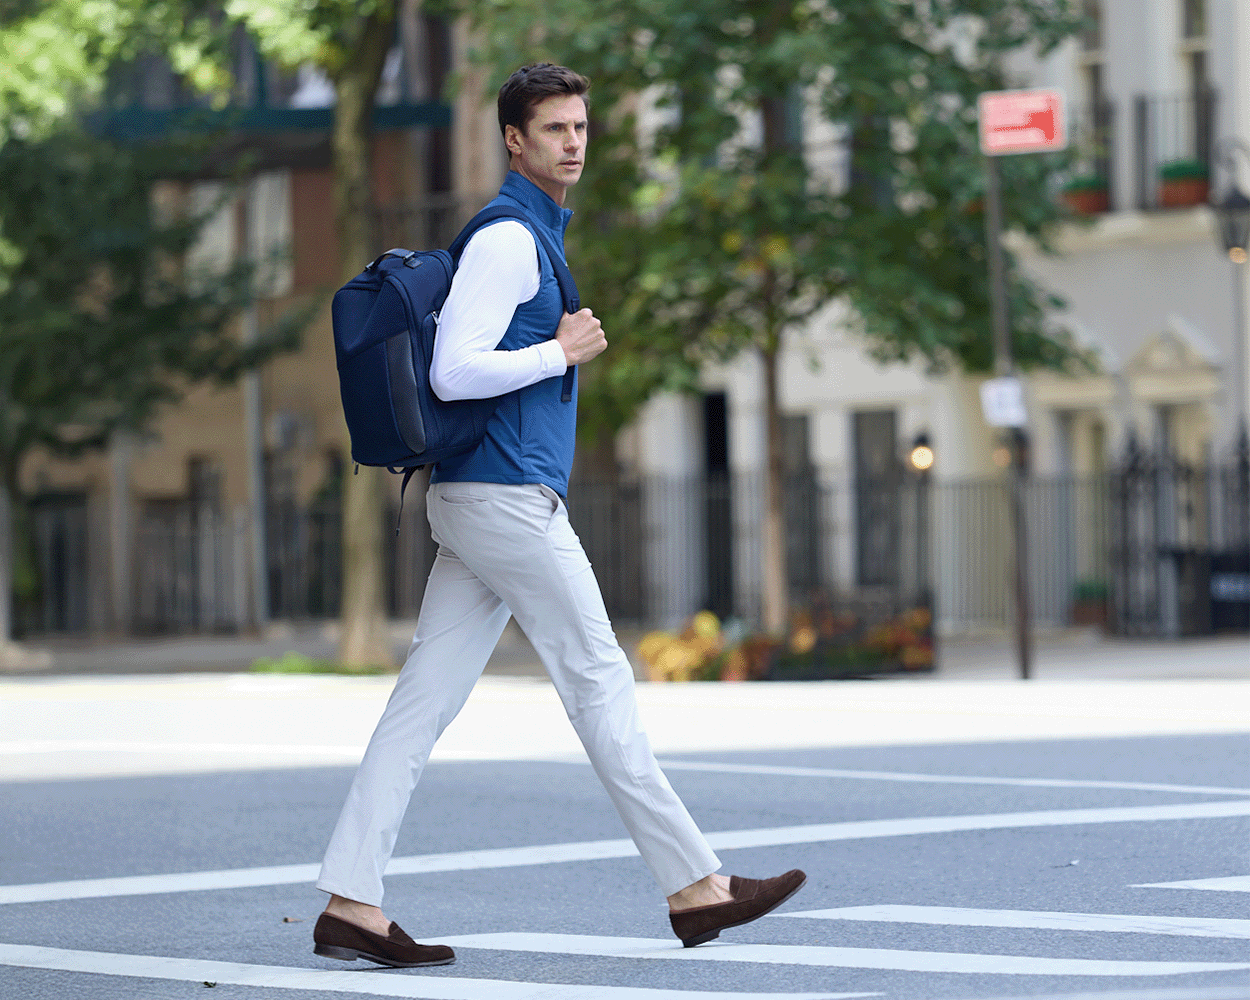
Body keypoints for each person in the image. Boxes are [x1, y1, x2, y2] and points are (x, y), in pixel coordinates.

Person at [312, 62, 805, 970]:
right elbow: (452, 373)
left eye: (580, 127)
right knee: (599, 679)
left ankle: (352, 903)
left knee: (421, 707)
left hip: (474, 499)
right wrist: (559, 349)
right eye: (554, 130)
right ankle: (697, 888)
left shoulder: (535, 234)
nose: (573, 142)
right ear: (514, 140)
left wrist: (550, 349)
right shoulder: (507, 240)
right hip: (503, 499)